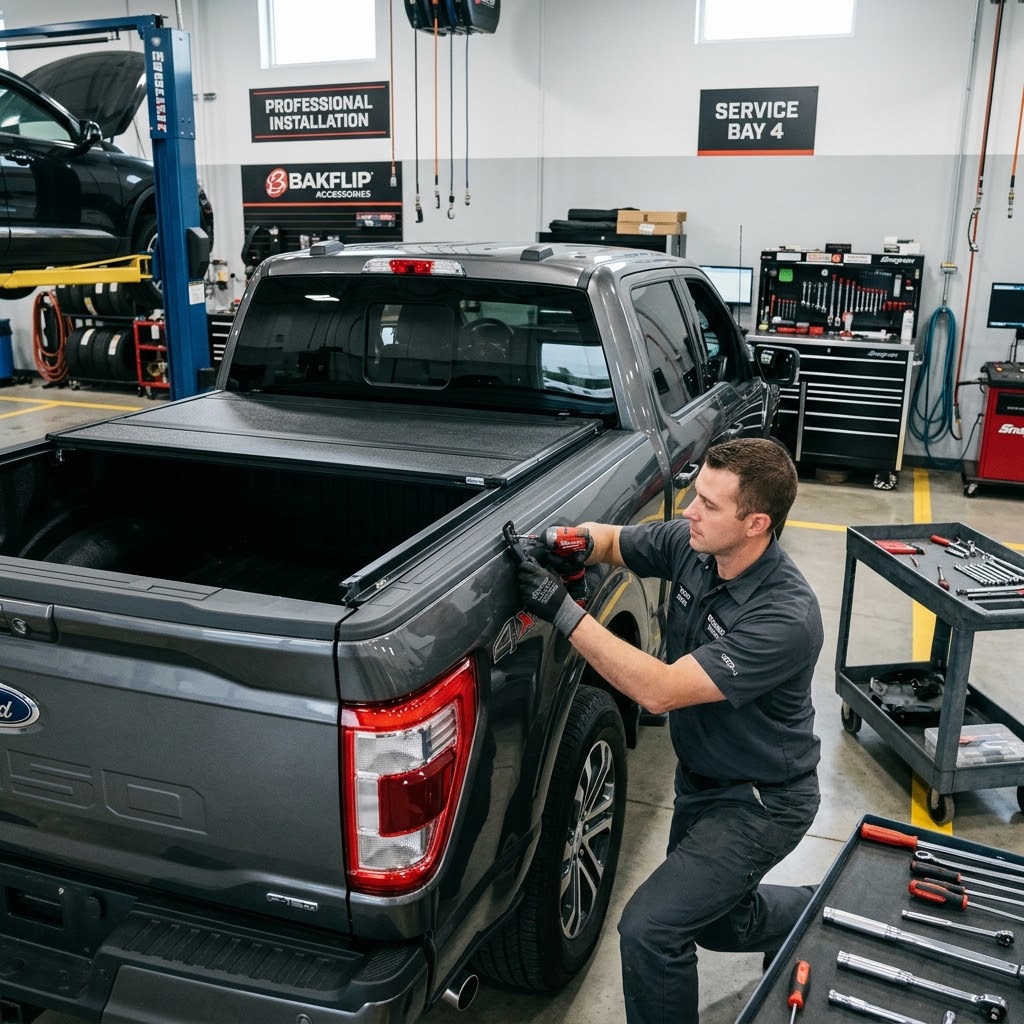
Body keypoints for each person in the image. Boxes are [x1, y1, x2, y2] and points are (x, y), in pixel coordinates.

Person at [517, 437, 823, 1024]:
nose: (689, 511)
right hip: (702, 781)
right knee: (718, 923)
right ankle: (816, 913)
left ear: (756, 523)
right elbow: (609, 541)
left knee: (652, 929)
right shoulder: (695, 545)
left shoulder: (785, 617)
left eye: (708, 504)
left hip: (762, 801)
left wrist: (561, 609)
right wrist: (569, 540)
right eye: (694, 494)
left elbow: (658, 690)